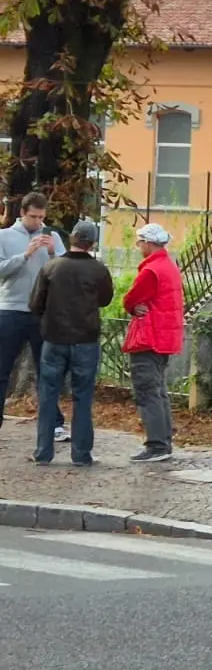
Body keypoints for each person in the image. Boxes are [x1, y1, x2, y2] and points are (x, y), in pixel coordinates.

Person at [28, 221, 113, 465]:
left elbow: (35, 305)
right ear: (92, 243)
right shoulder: (99, 270)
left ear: (72, 238)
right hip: (86, 340)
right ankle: (81, 454)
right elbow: (105, 300)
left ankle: (43, 452)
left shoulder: (51, 267)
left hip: (54, 339)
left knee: (47, 395)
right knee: (83, 397)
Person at [0, 191, 66, 436]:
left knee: (46, 370)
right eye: (34, 217)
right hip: (10, 310)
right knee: (2, 369)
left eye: (42, 218)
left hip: (41, 312)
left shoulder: (52, 237)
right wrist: (25, 255)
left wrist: (52, 253)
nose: (38, 223)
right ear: (22, 214)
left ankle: (53, 423)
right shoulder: (4, 236)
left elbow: (65, 270)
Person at [121, 223, 185, 463]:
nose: (138, 247)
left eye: (139, 243)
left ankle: (156, 445)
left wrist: (130, 307)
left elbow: (131, 298)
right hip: (164, 337)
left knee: (148, 392)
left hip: (149, 337)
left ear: (148, 242)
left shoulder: (151, 271)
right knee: (159, 391)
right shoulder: (169, 266)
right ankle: (164, 442)